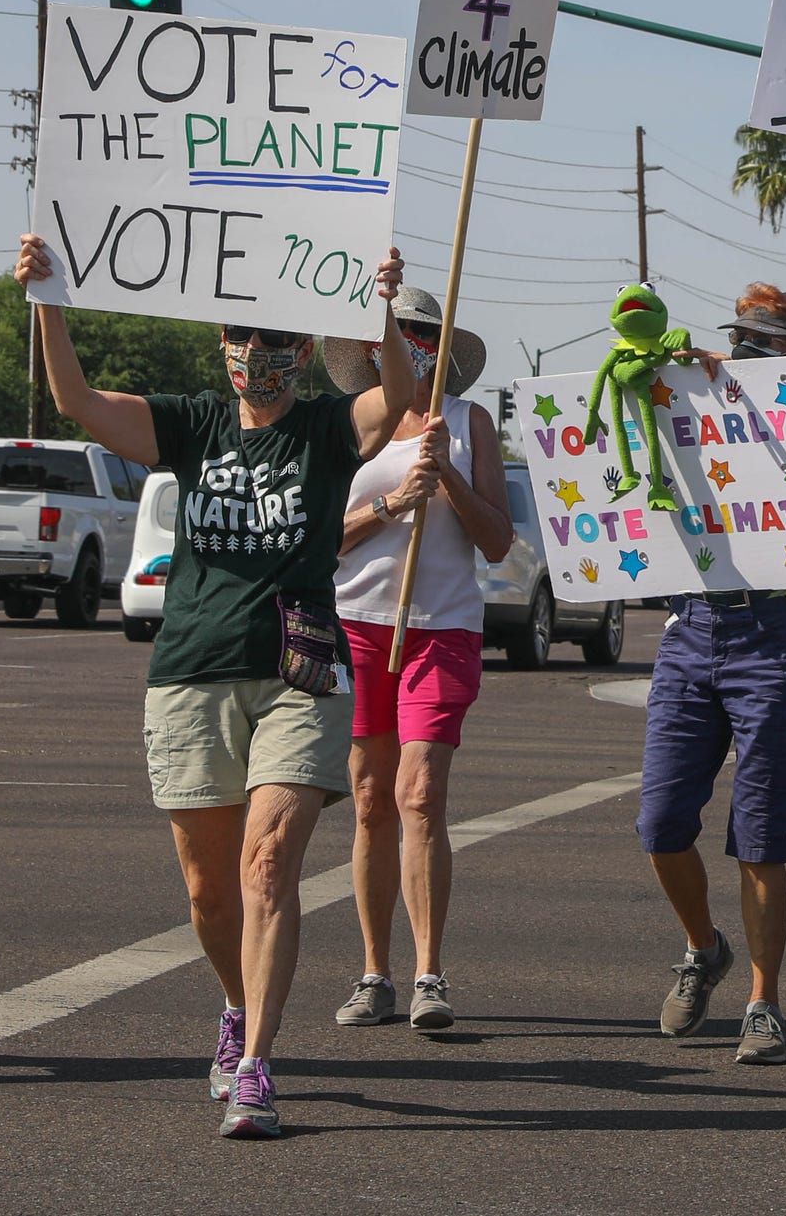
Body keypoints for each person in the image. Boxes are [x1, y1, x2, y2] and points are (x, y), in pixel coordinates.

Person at [15, 231, 411, 1140]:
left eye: (275, 339)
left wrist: (382, 308)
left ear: (303, 352)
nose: (255, 352)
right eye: (241, 334)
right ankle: (235, 1005)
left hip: (296, 671)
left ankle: (260, 1066)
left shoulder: (323, 427)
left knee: (270, 862)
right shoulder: (190, 422)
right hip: (190, 668)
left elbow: (403, 398)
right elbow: (76, 399)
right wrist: (50, 295)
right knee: (208, 889)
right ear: (220, 342)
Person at [640, 286, 786, 1066]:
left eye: (768, 343)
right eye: (742, 338)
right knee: (659, 825)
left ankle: (764, 1000)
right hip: (691, 628)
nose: (749, 351)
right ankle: (703, 946)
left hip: (771, 635)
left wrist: (742, 390)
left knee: (759, 836)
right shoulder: (689, 401)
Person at [322, 288, 512, 1036]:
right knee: (370, 798)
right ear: (376, 346)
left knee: (421, 791)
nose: (413, 343)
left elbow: (497, 541)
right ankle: (376, 971)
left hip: (443, 630)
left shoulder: (469, 423)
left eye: (426, 333)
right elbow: (322, 539)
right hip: (356, 627)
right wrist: (396, 501)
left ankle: (430, 972)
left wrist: (451, 479)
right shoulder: (352, 424)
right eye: (401, 332)